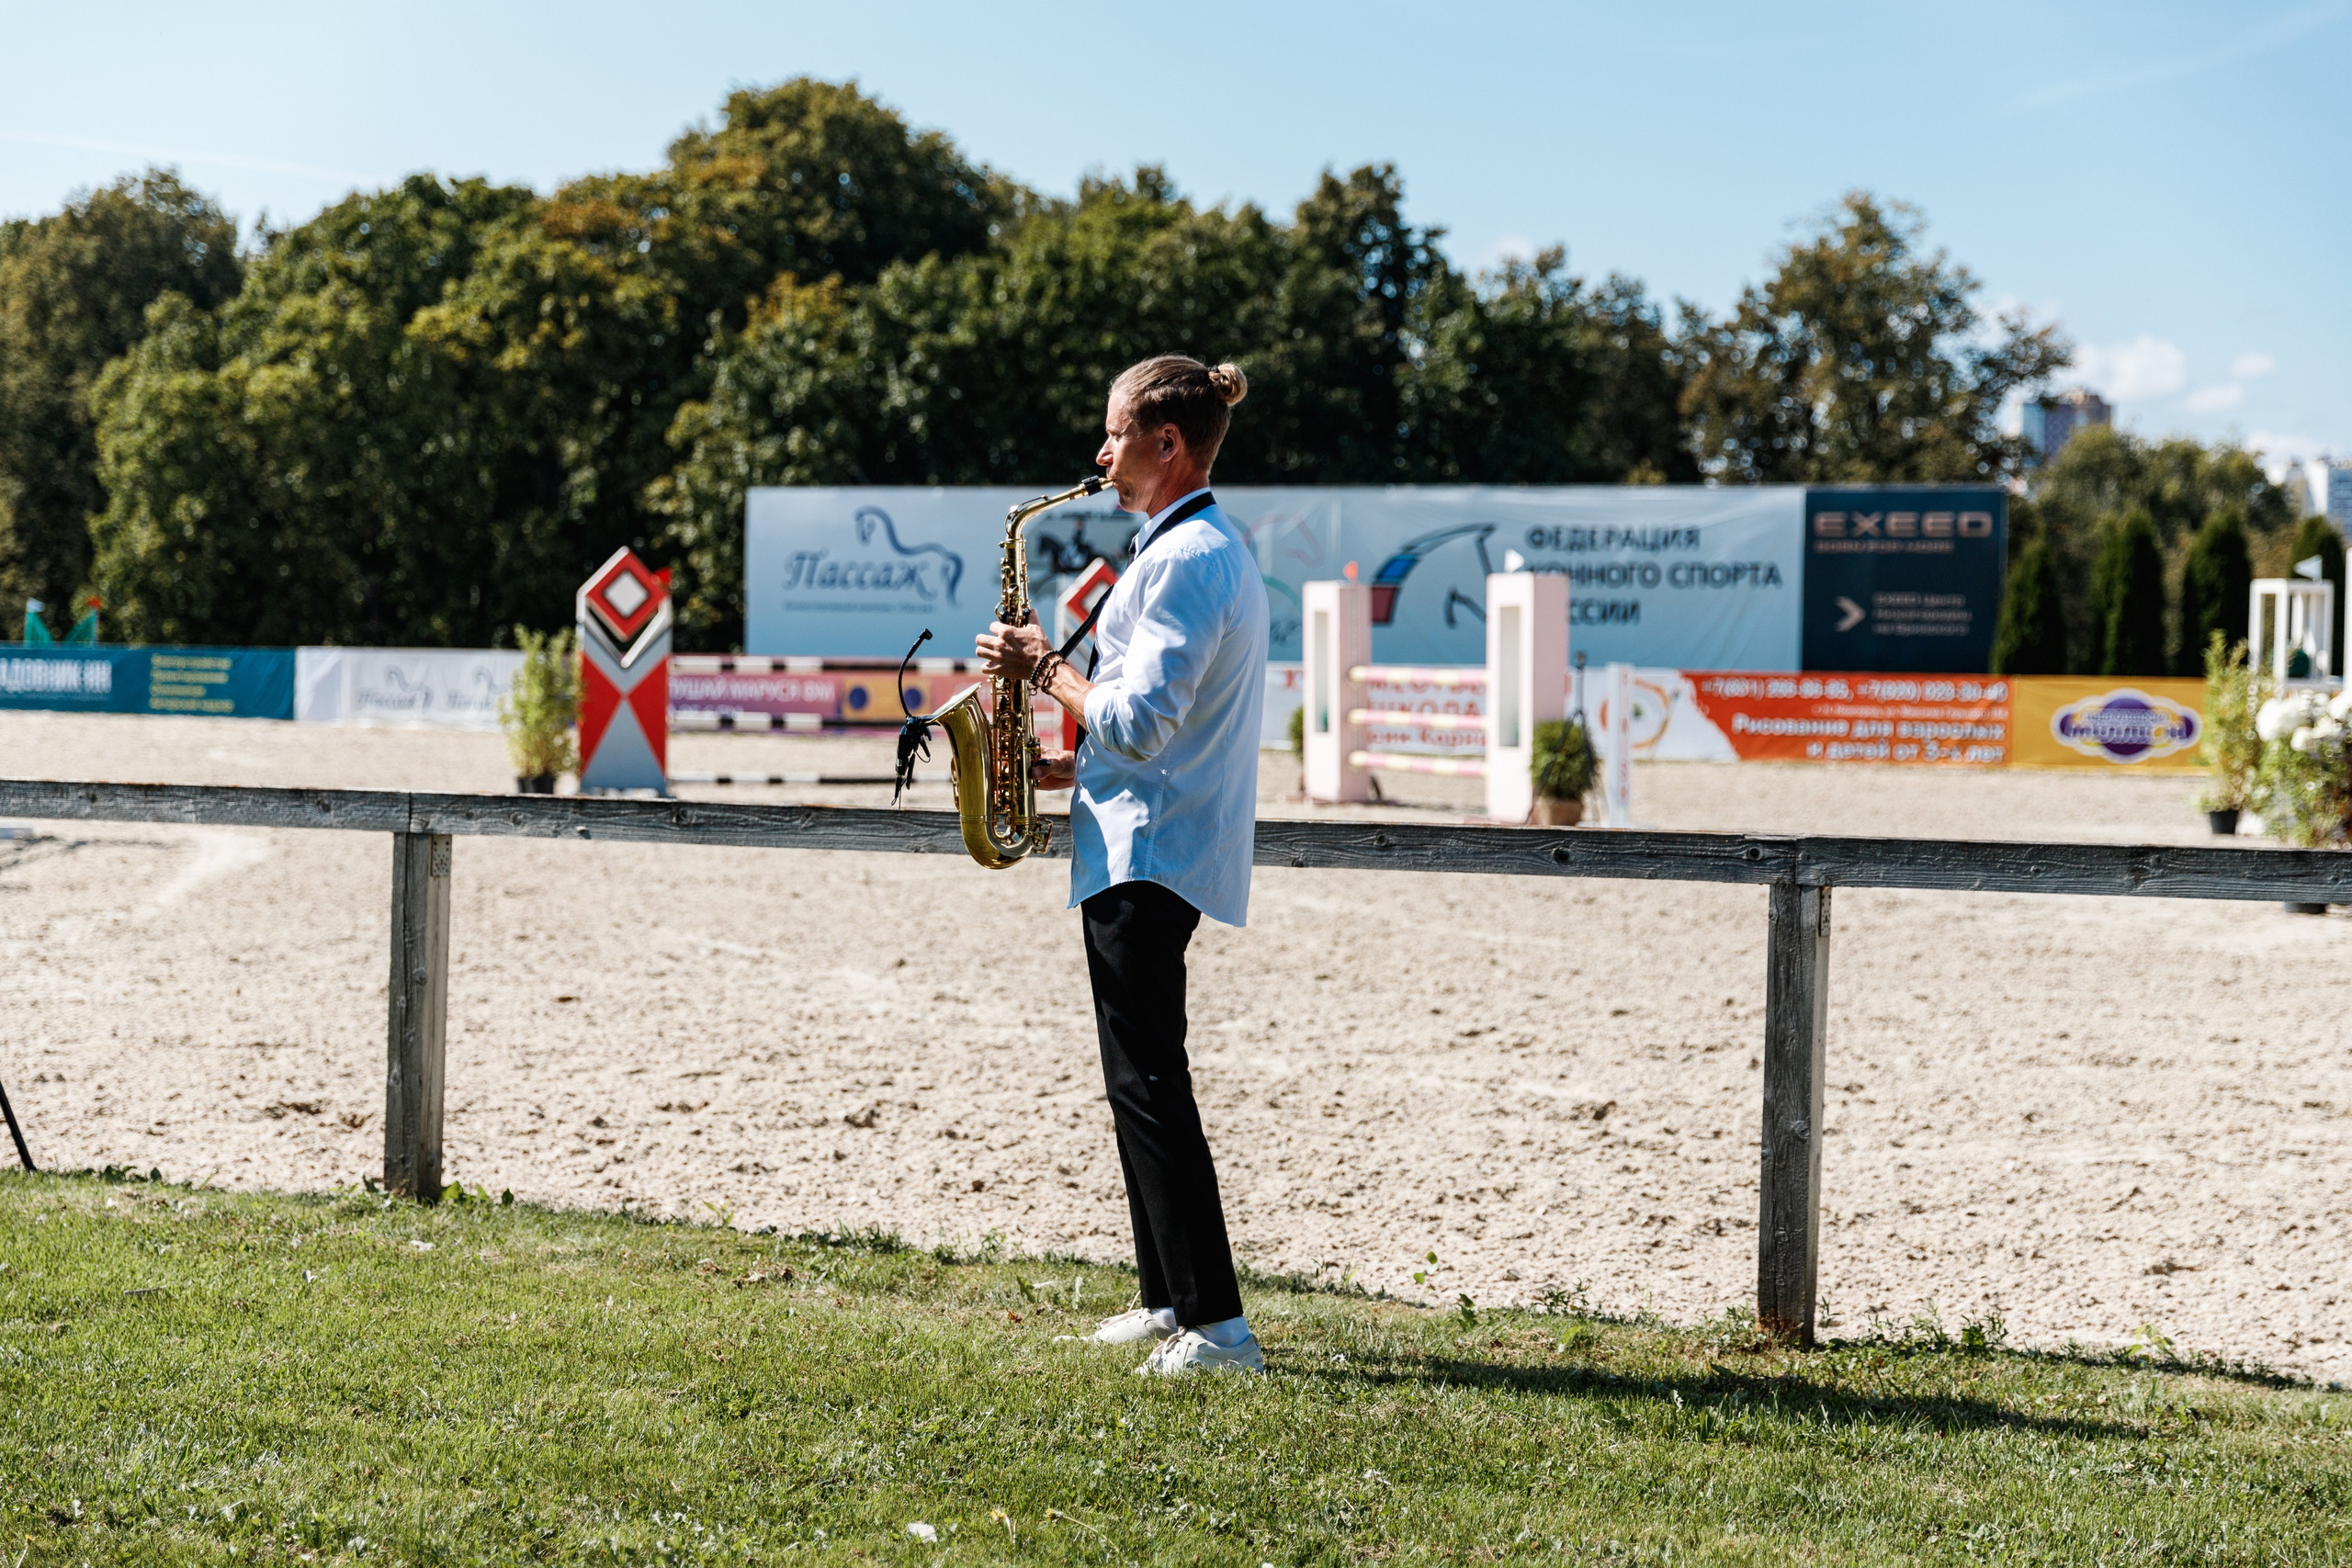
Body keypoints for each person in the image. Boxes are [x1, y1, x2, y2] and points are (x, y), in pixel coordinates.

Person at [976, 354, 1270, 1376]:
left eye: (1113, 435)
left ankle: (1218, 1328)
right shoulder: (1183, 548)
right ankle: (1166, 1299)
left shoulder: (1189, 558)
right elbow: (1140, 725)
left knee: (1149, 1083)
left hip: (1153, 850)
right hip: (1141, 838)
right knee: (1132, 1080)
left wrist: (1041, 668)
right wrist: (1065, 752)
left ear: (1167, 444)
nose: (1098, 455)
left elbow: (1142, 721)